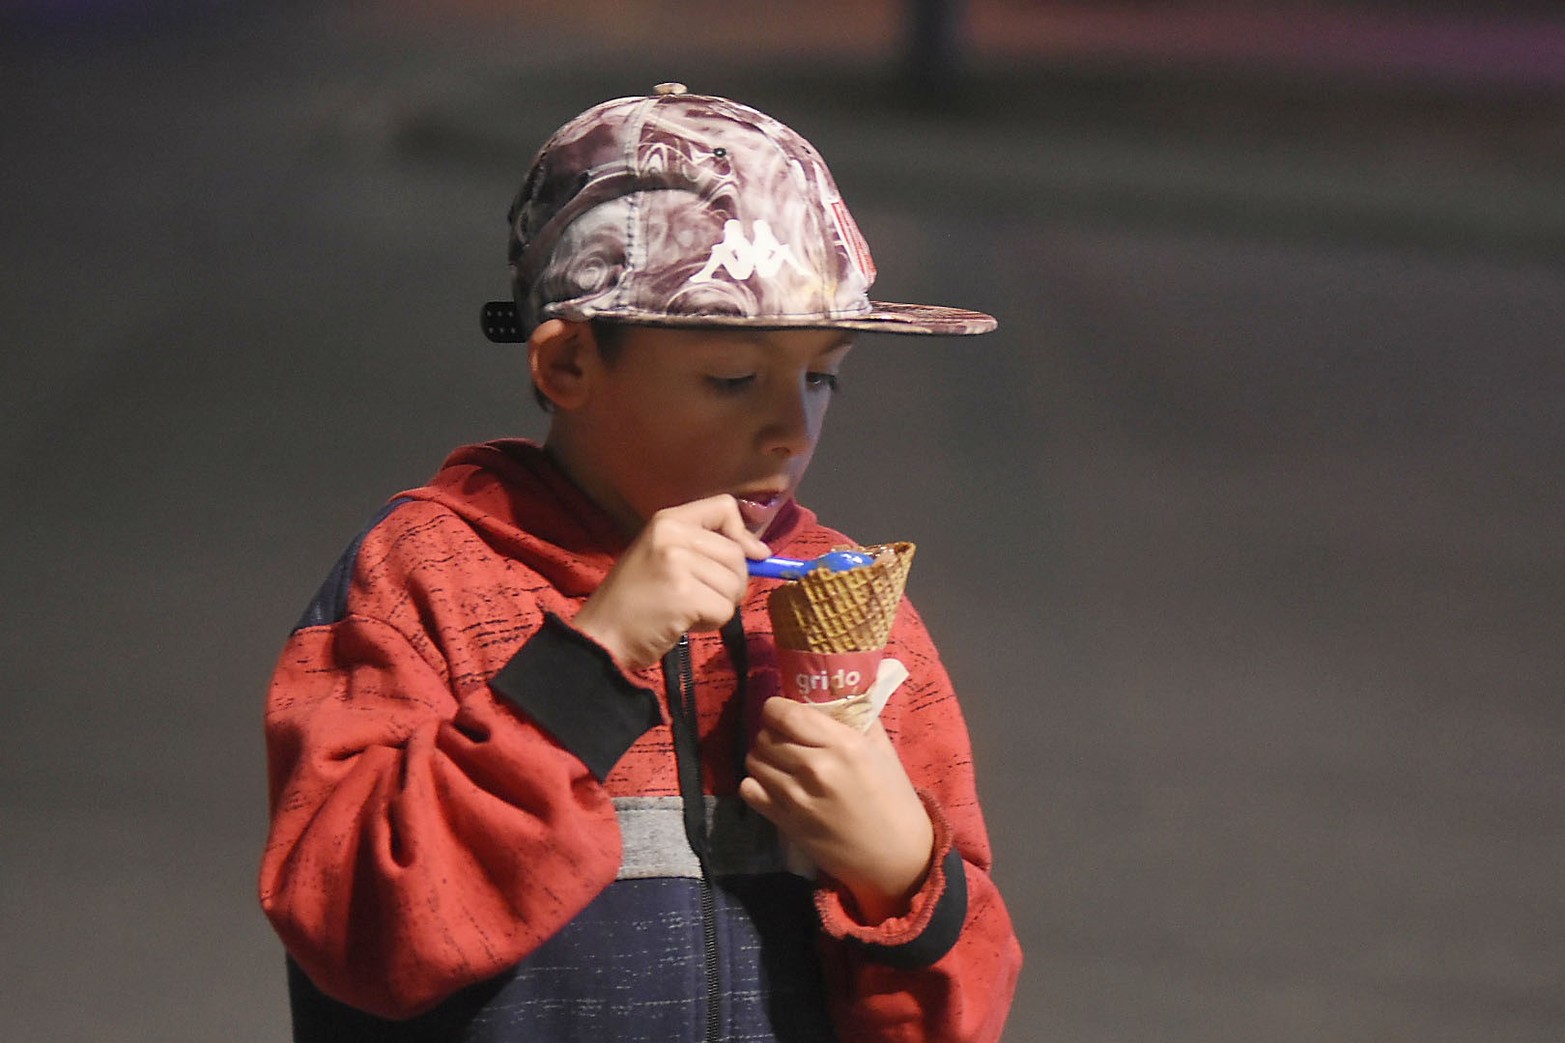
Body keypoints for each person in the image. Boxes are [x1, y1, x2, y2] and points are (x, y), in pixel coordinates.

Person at [258, 82, 1022, 1042]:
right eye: (732, 378)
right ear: (568, 364)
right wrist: (587, 663)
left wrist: (904, 875)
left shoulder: (852, 608)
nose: (792, 428)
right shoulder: (423, 579)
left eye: (821, 373)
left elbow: (960, 1012)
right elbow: (357, 933)